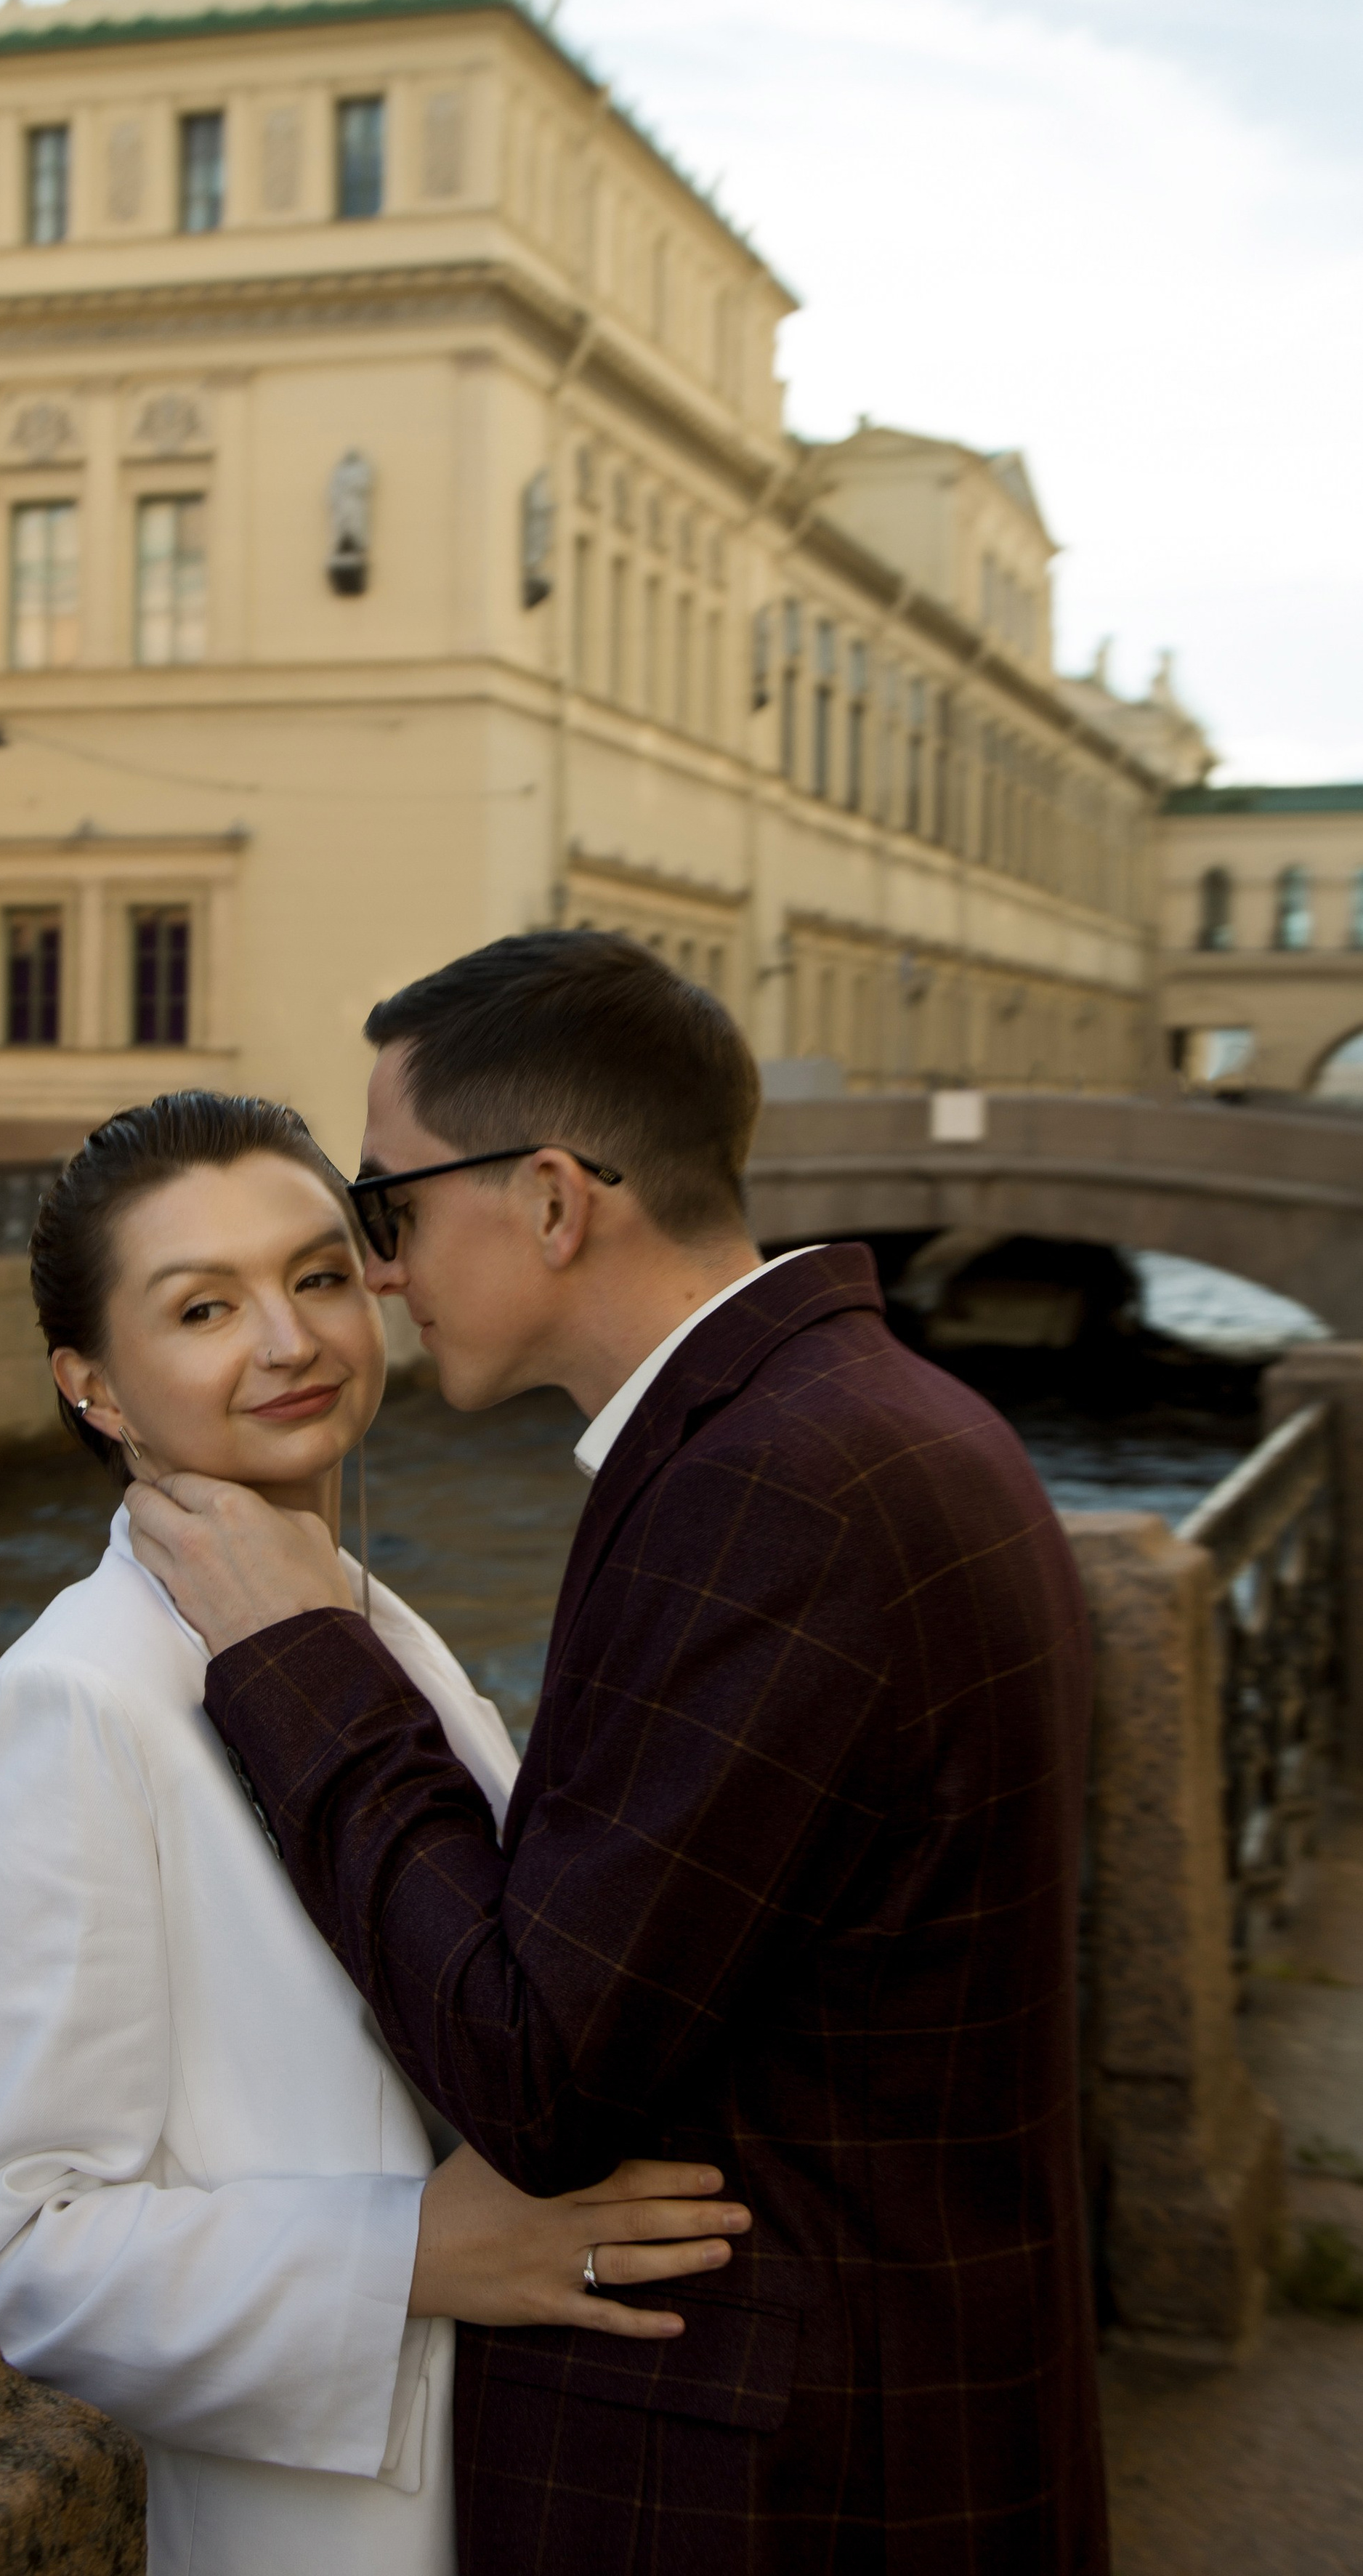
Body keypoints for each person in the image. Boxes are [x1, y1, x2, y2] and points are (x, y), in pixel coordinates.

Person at [126, 937, 1109, 2576]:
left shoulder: (769, 1495)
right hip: (914, 2400)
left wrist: (295, 1653)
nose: (379, 1276)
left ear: (552, 1202)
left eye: (387, 1208)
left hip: (780, 2485)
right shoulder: (881, 1420)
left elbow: (536, 2071)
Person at [0, 1089, 745, 2576]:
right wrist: (410, 2254)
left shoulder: (368, 1627)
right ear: (93, 1386)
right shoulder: (69, 1707)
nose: (289, 1341)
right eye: (204, 1307)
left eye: (320, 1276)